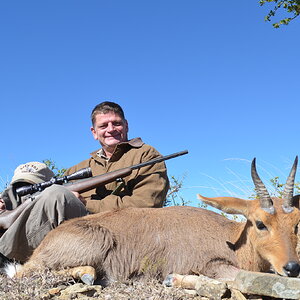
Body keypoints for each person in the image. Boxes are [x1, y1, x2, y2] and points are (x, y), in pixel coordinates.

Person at [64, 101, 170, 213]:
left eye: (116, 123)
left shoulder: (147, 155)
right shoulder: (75, 171)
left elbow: (146, 205)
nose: (110, 129)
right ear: (94, 132)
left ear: (126, 126)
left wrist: (86, 204)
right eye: (103, 126)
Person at [0, 162, 88, 262]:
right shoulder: (5, 203)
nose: (26, 192)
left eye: (32, 185)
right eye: (20, 187)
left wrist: (73, 204)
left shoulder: (54, 195)